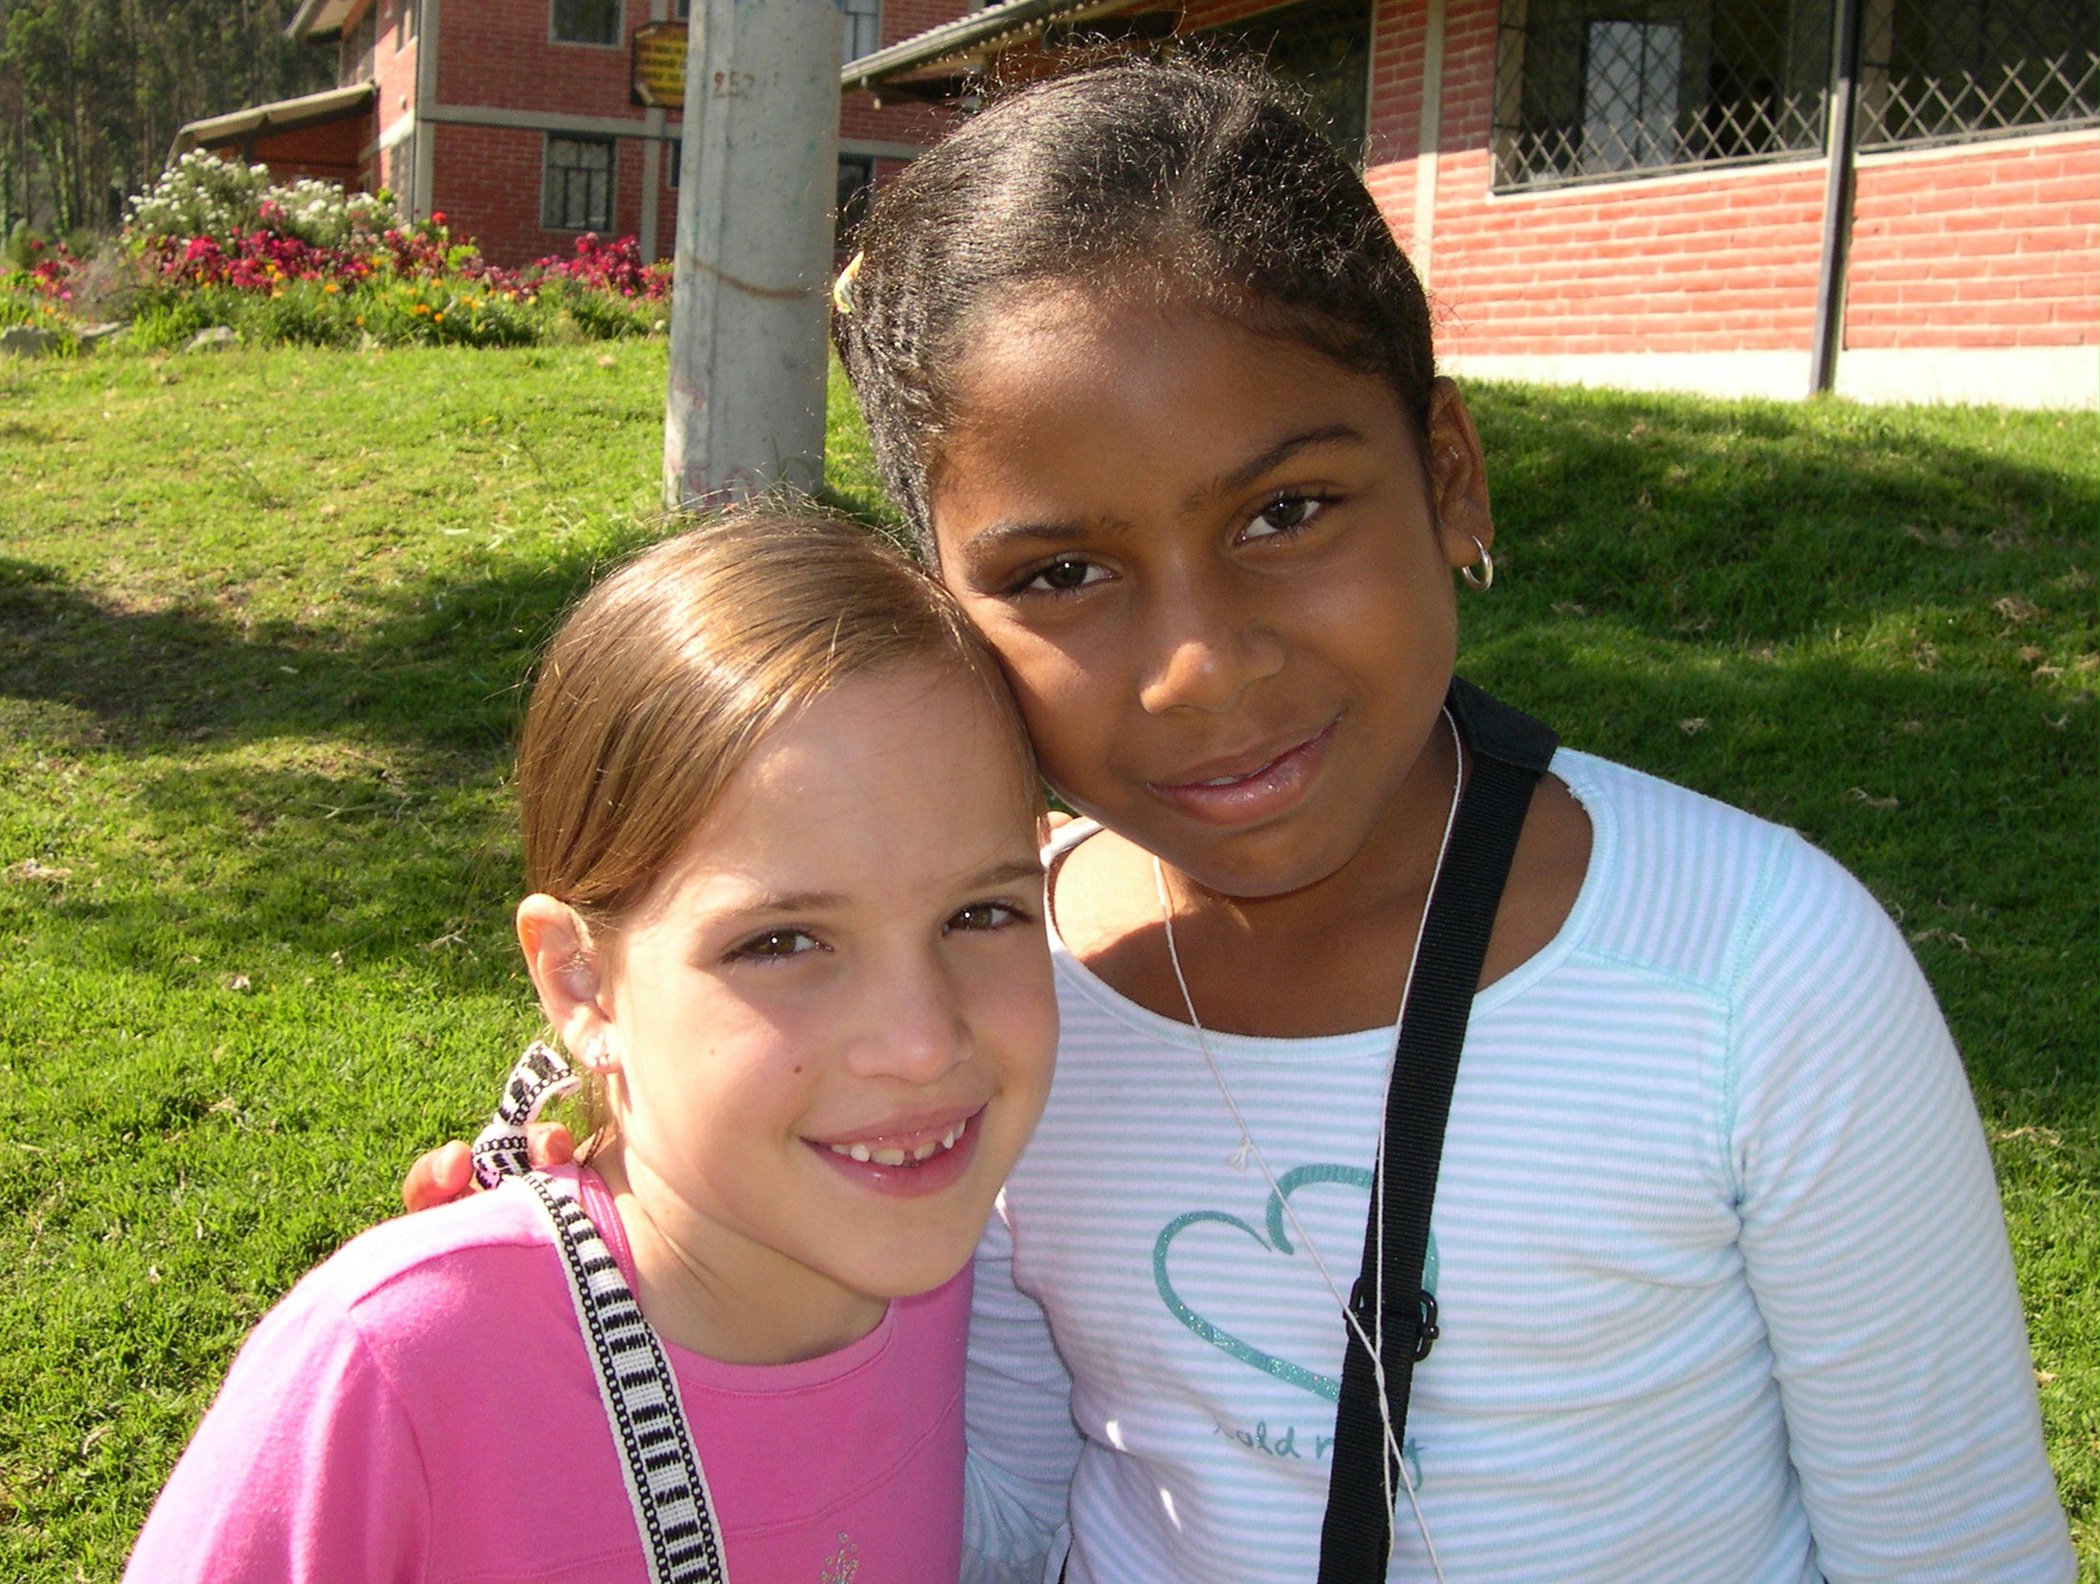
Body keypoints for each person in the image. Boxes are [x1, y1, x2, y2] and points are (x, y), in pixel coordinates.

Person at [412, 59, 2075, 1584]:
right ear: (951, 611)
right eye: (1062, 573)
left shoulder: (1760, 973)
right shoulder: (985, 1006)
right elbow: (990, 1506)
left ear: (1450, 478)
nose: (1201, 668)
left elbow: (1954, 1549)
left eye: (1288, 509)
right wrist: (679, 1307)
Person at [126, 506, 1060, 1583]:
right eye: (784, 942)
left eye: (981, 916)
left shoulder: (976, 1275)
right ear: (580, 979)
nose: (918, 1041)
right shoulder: (390, 1370)